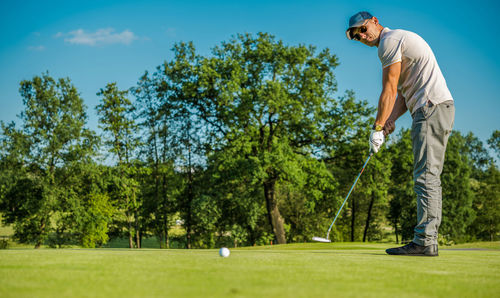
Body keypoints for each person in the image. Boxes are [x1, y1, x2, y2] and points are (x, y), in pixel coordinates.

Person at [345, 11, 455, 256]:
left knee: (426, 176)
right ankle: (426, 239)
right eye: (355, 36)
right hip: (432, 107)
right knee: (426, 175)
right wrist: (390, 121)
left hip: (430, 108)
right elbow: (404, 94)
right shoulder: (397, 42)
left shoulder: (389, 41)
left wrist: (376, 128)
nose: (361, 36)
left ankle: (425, 242)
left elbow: (390, 89)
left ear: (374, 21)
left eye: (362, 29)